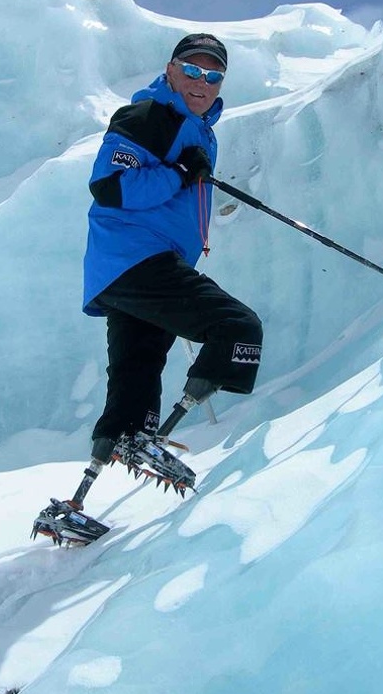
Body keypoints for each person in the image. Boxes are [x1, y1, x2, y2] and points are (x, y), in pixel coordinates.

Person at [82, 33, 263, 471]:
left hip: (126, 267)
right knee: (238, 327)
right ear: (170, 70)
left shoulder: (197, 131)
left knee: (137, 372)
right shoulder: (149, 116)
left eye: (214, 76)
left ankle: (97, 475)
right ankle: (180, 416)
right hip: (138, 257)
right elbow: (110, 185)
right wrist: (181, 171)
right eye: (193, 70)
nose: (202, 82)